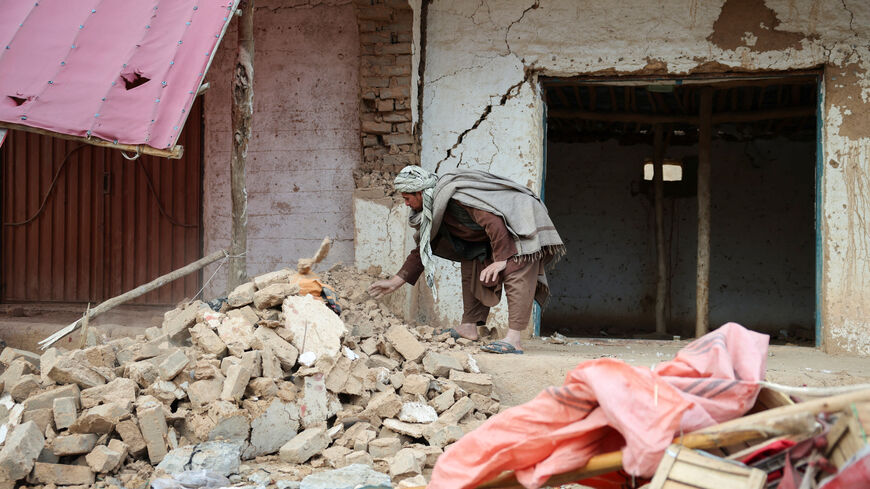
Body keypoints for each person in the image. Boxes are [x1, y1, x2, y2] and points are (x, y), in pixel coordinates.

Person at [368, 165, 564, 354]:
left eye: (407, 198)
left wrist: (502, 259)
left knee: (516, 270)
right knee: (472, 262)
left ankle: (514, 340)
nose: (406, 204)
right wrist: (395, 282)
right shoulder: (435, 209)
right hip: (493, 235)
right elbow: (424, 248)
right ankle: (469, 327)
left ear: (420, 193)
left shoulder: (456, 198)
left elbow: (493, 221)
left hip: (520, 223)